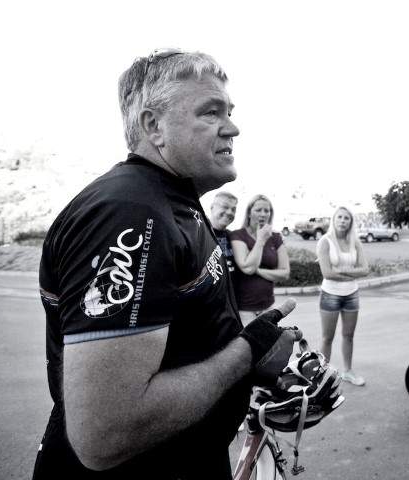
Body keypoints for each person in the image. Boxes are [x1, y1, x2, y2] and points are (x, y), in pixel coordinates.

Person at [33, 49, 302, 480]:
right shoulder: (130, 212)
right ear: (153, 126)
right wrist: (249, 351)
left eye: (229, 112)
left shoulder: (170, 201)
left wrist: (254, 358)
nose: (233, 127)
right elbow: (106, 433)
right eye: (211, 112)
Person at [316, 206, 370, 386]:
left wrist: (341, 271)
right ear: (334, 219)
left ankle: (347, 372)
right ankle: (322, 376)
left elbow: (365, 269)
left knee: (348, 335)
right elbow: (327, 273)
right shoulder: (325, 241)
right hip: (330, 294)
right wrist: (352, 273)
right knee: (327, 338)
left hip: (351, 294)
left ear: (350, 222)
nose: (343, 221)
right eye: (339, 217)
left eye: (346, 218)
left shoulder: (355, 242)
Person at [230, 194, 290, 325]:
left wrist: (257, 270)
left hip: (268, 306)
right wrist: (261, 240)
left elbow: (285, 273)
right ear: (249, 213)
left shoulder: (276, 237)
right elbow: (247, 268)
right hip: (244, 309)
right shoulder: (238, 235)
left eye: (266, 210)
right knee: (249, 339)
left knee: (270, 339)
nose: (263, 214)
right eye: (258, 210)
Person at [209, 190, 239, 276]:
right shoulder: (199, 234)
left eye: (233, 209)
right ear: (212, 207)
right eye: (225, 207)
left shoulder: (234, 237)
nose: (230, 212)